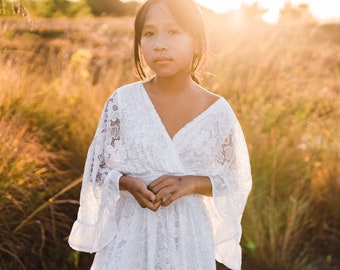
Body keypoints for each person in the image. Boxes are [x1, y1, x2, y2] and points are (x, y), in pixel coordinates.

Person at [68, 0, 252, 269]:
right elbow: (98, 171)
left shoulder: (217, 112)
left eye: (173, 32)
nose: (160, 44)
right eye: (149, 33)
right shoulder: (122, 102)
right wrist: (127, 182)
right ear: (139, 42)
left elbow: (236, 182)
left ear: (197, 42)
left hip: (188, 244)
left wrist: (190, 183)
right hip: (128, 239)